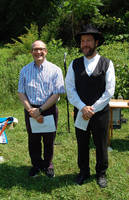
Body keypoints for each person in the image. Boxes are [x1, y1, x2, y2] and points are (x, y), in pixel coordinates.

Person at [65, 24, 115, 188]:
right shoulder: (74, 64)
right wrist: (82, 107)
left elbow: (109, 91)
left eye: (88, 40)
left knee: (101, 144)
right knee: (82, 143)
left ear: (96, 42)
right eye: (82, 41)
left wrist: (92, 109)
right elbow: (70, 88)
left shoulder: (107, 63)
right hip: (80, 112)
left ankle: (101, 173)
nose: (85, 44)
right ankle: (83, 172)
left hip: (100, 114)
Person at [18, 40, 65, 178]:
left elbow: (57, 93)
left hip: (49, 109)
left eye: (41, 49)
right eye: (35, 49)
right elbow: (21, 92)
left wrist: (41, 110)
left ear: (46, 51)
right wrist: (31, 110)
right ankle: (36, 165)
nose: (38, 52)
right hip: (30, 109)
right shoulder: (24, 70)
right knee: (33, 140)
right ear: (31, 52)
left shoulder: (55, 70)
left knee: (49, 140)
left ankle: (48, 165)